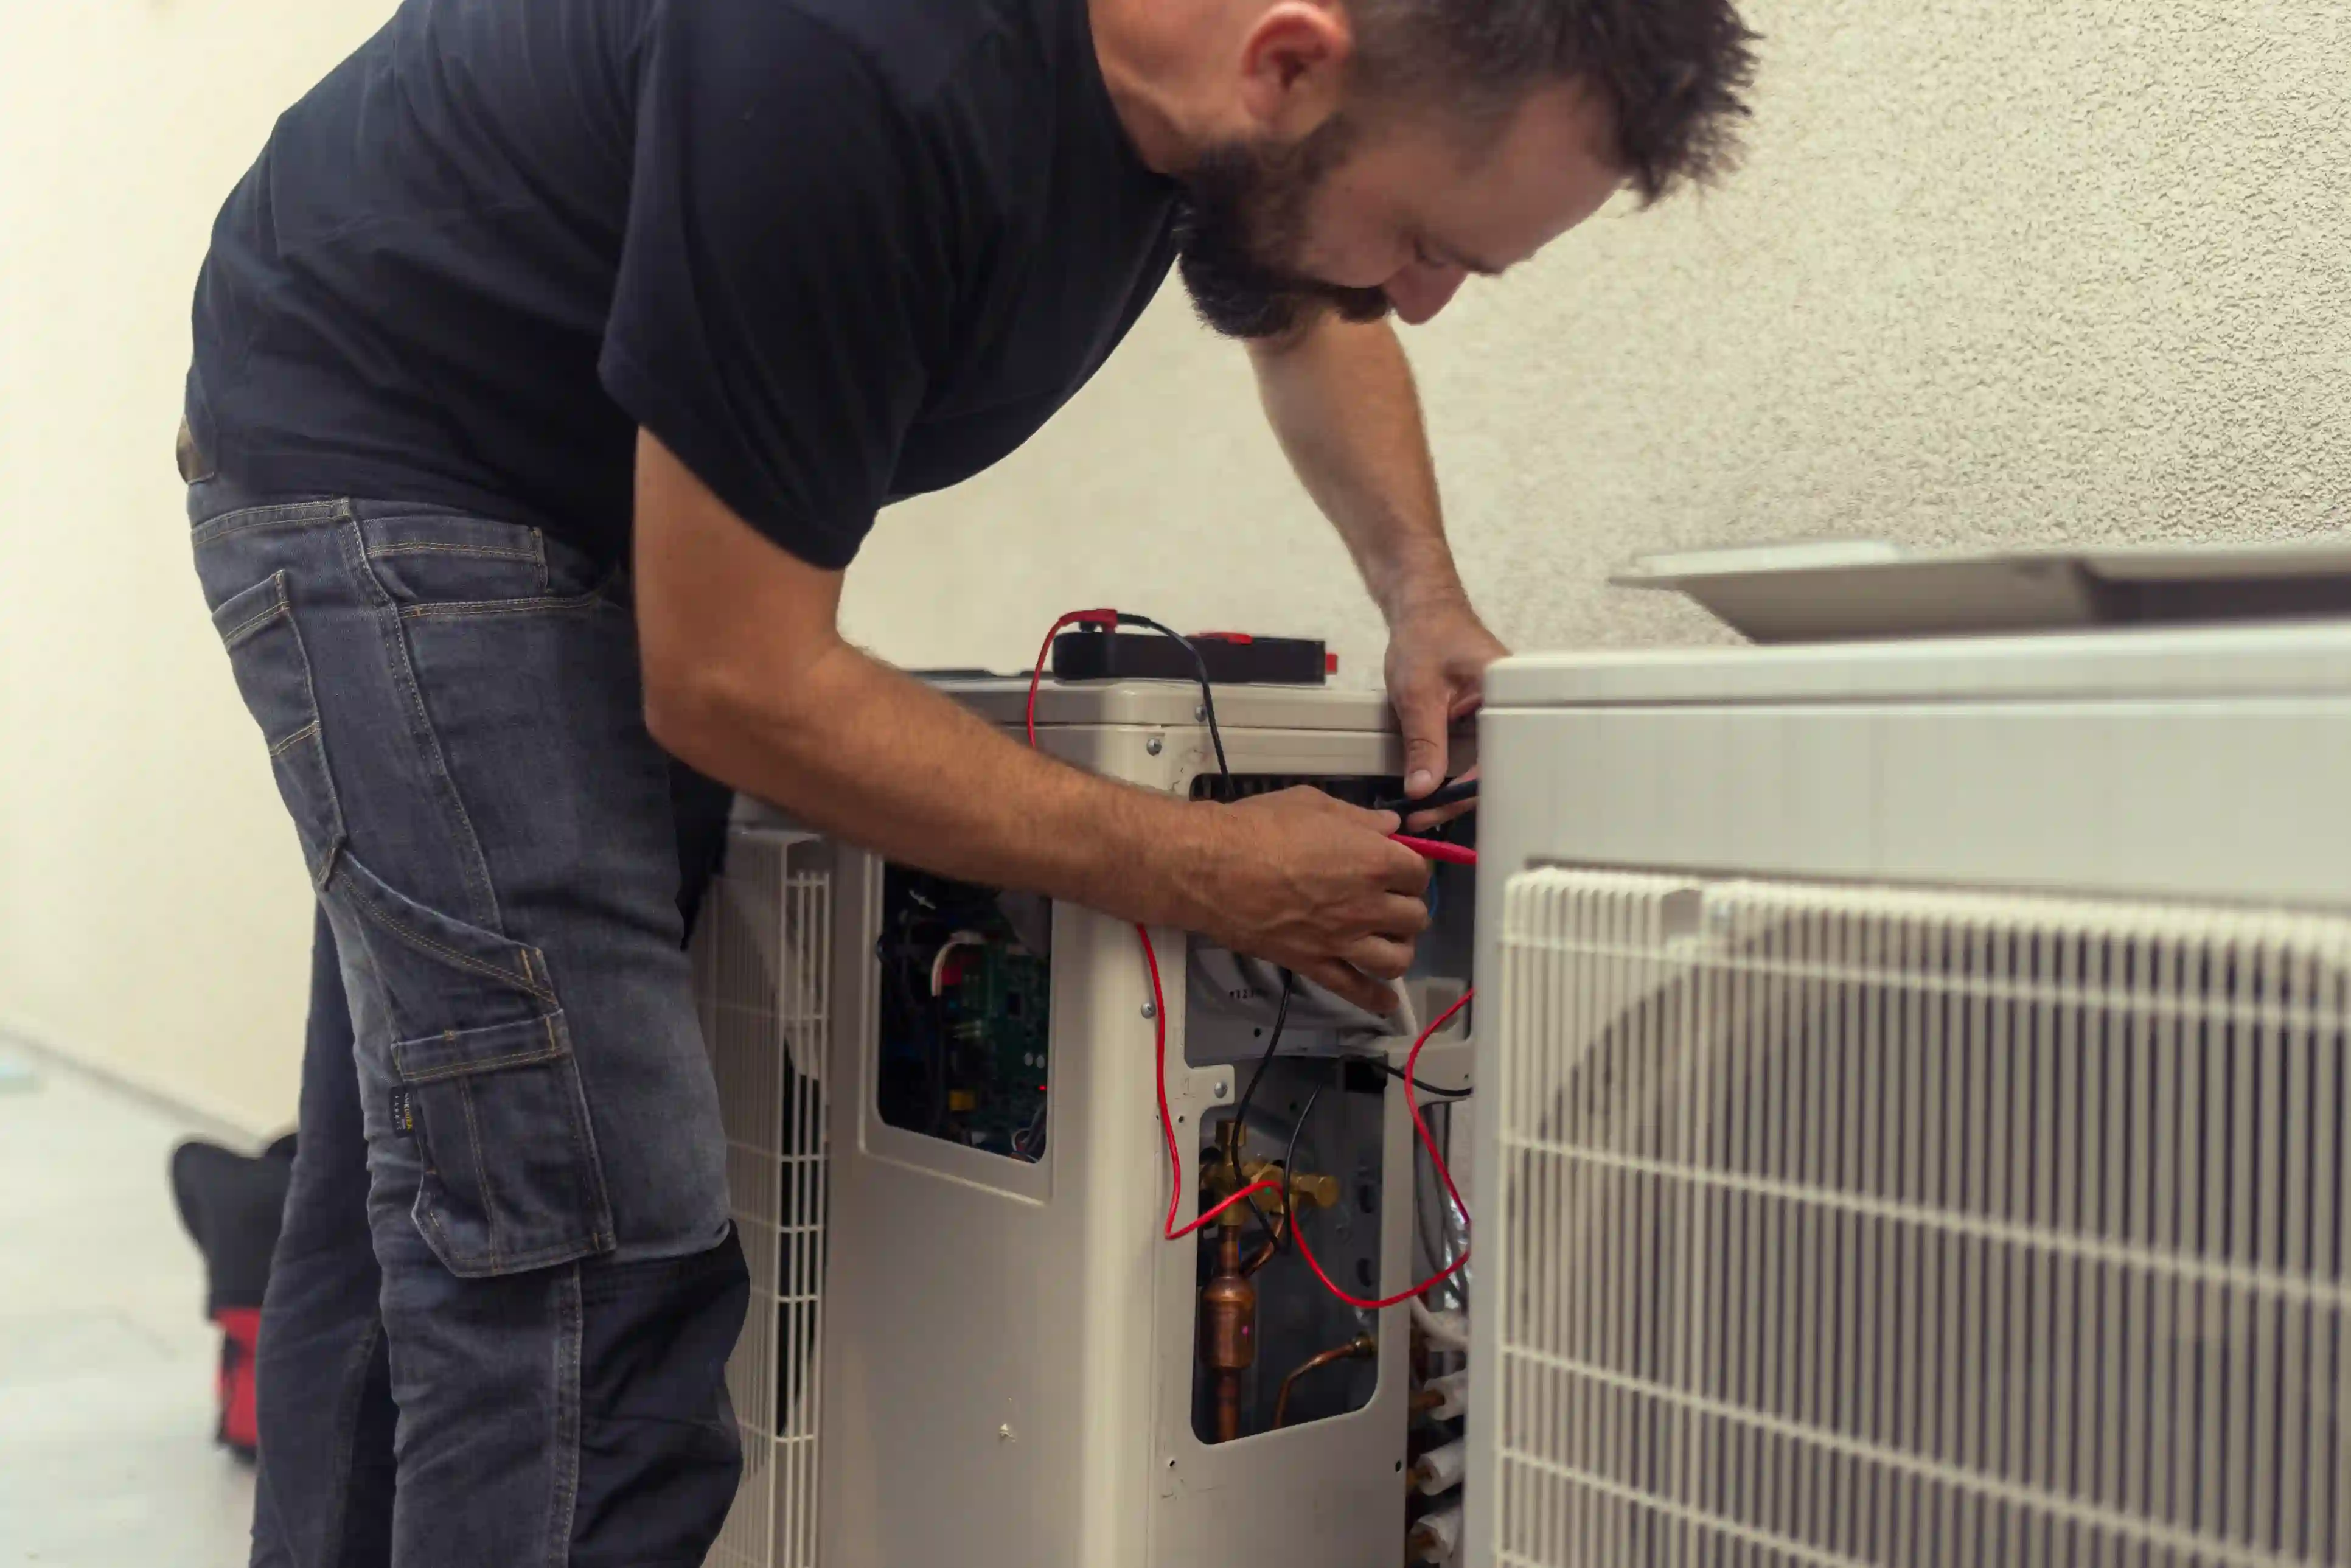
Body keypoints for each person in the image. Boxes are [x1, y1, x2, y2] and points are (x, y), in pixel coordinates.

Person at [179, 0, 1757, 1559]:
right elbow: (738, 678)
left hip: (588, 502)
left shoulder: (1224, 96)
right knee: (585, 1260)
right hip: (391, 460)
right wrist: (1203, 870)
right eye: (1431, 244)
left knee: (450, 1194)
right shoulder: (856, 64)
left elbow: (1309, 293)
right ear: (1287, 61)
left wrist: (1423, 593)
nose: (1417, 303)